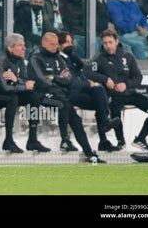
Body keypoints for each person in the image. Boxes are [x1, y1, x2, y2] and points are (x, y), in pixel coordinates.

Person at [27, 32, 105, 162]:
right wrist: (58, 81)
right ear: (44, 43)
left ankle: (89, 153)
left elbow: (69, 78)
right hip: (41, 95)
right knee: (64, 103)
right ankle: (65, 139)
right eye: (52, 44)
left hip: (60, 94)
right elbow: (42, 81)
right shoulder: (35, 57)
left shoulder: (58, 57)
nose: (55, 47)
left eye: (56, 44)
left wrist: (54, 78)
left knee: (76, 118)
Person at [87, 29, 148, 151]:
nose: (108, 46)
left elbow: (138, 77)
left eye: (110, 42)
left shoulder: (128, 56)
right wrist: (105, 79)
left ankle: (141, 139)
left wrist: (126, 84)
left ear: (117, 41)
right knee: (115, 110)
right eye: (105, 43)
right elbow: (87, 71)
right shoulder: (100, 58)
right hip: (112, 95)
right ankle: (121, 142)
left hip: (129, 93)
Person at [57, 31, 121, 151]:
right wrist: (87, 83)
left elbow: (84, 70)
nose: (70, 45)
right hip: (68, 93)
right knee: (99, 96)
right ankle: (104, 125)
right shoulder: (58, 59)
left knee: (100, 93)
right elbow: (68, 80)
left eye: (71, 42)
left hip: (80, 89)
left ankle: (103, 138)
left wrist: (89, 80)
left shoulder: (72, 57)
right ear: (59, 45)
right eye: (67, 42)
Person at [0, 33, 51, 153]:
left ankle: (32, 139)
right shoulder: (0, 60)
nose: (24, 48)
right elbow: (4, 87)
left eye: (24, 45)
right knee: (13, 97)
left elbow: (25, 80)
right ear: (10, 48)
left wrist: (16, 80)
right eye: (20, 46)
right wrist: (23, 85)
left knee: (35, 95)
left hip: (11, 91)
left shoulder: (20, 59)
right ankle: (8, 140)